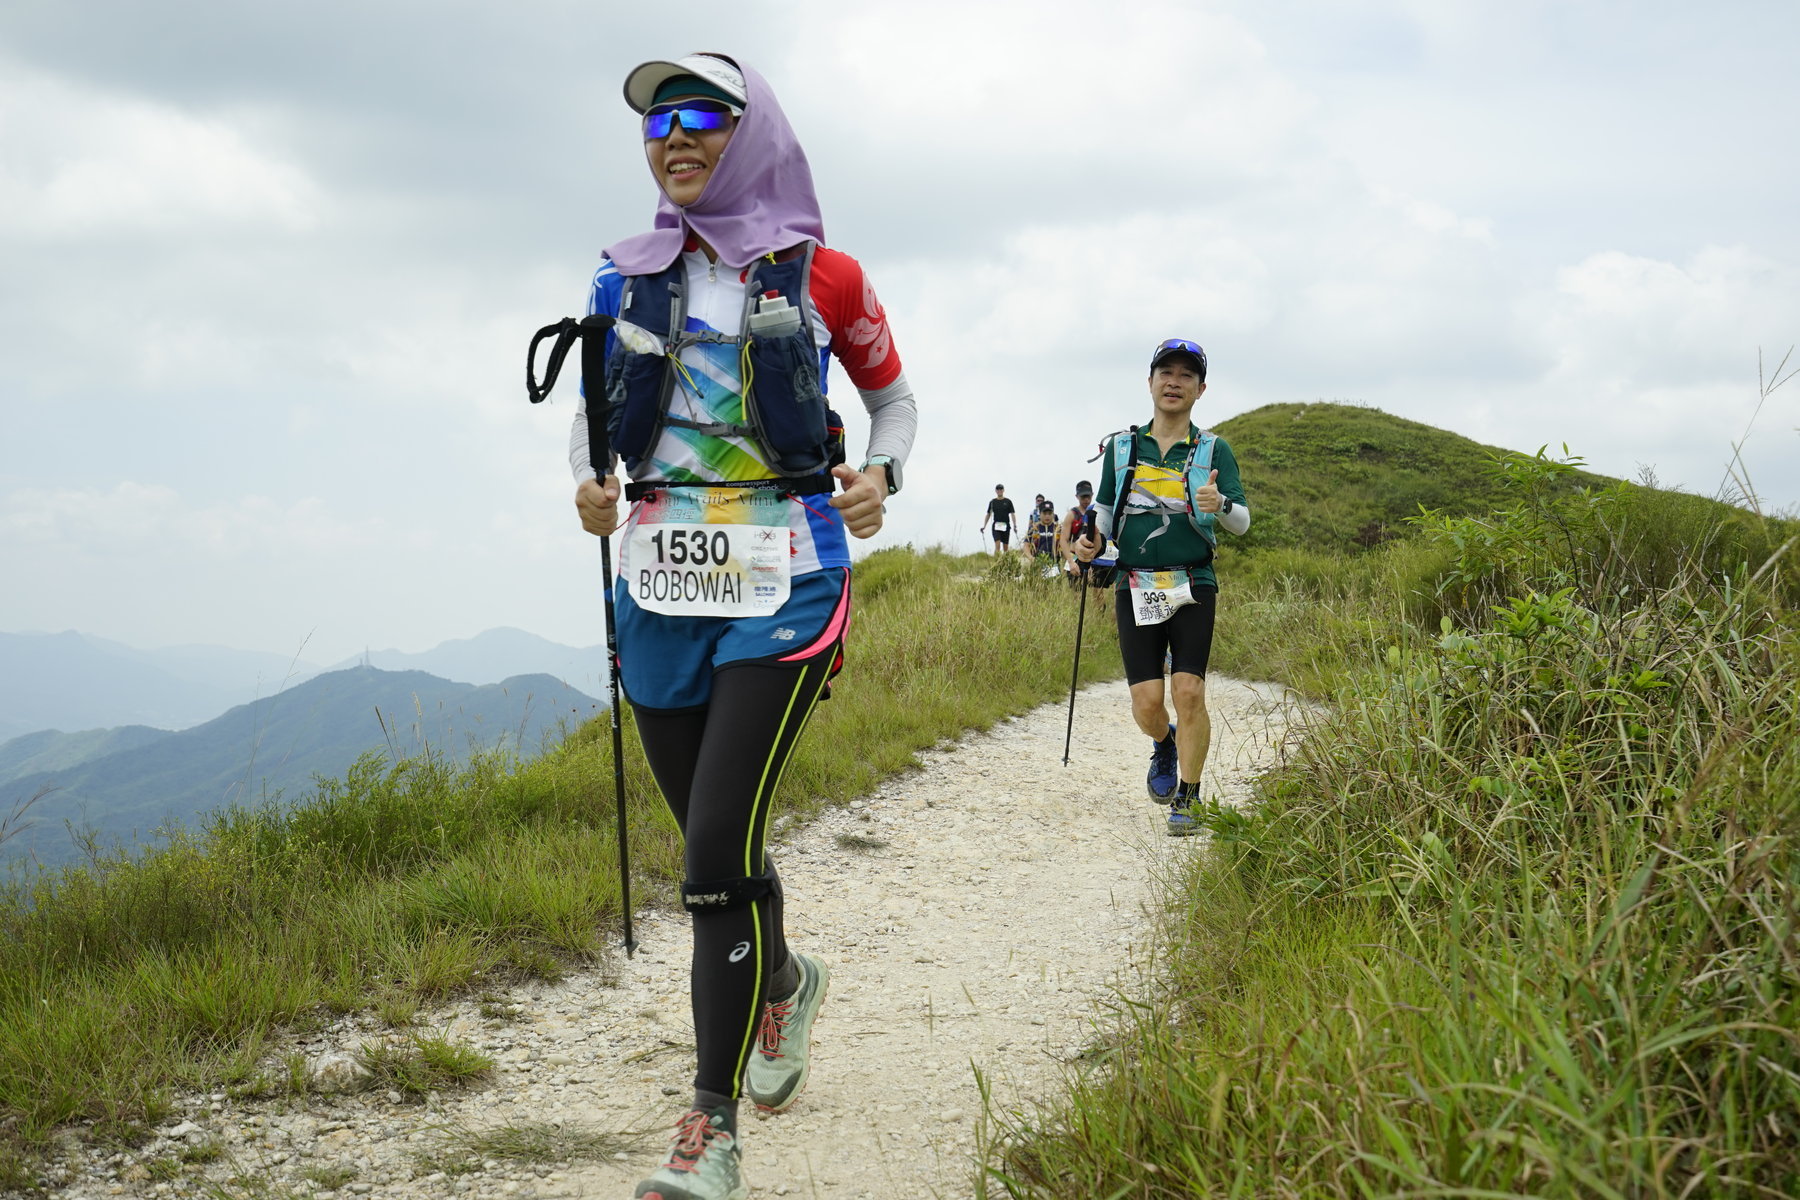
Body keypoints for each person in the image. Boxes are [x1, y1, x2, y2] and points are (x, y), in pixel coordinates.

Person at [569, 52, 917, 1200]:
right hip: (659, 589)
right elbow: (593, 421)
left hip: (789, 581)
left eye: (702, 115)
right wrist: (590, 485)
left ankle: (708, 1131)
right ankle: (783, 982)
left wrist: (883, 475)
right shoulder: (621, 279)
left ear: (753, 130)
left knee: (713, 853)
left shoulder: (828, 277)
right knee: (720, 844)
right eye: (655, 122)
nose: (673, 136)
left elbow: (893, 400)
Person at [1074, 338, 1248, 835]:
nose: (1174, 382)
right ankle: (1164, 742)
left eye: (1186, 375)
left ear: (1201, 389)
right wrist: (1089, 542)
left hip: (1193, 582)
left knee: (1189, 690)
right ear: (1149, 382)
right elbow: (1103, 511)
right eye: (1165, 373)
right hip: (1135, 583)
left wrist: (1220, 505)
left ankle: (1189, 799)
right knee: (1148, 704)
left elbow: (1241, 521)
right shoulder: (1122, 448)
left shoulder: (1213, 449)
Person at [981, 484, 1015, 555]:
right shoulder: (992, 502)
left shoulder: (1008, 501)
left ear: (1003, 490)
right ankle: (996, 560)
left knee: (1005, 548)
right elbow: (988, 514)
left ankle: (1005, 560)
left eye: (1001, 489)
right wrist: (984, 526)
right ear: (996, 491)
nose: (999, 491)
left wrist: (1015, 525)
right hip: (996, 526)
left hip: (1006, 525)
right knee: (998, 545)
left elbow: (1012, 514)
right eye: (998, 489)